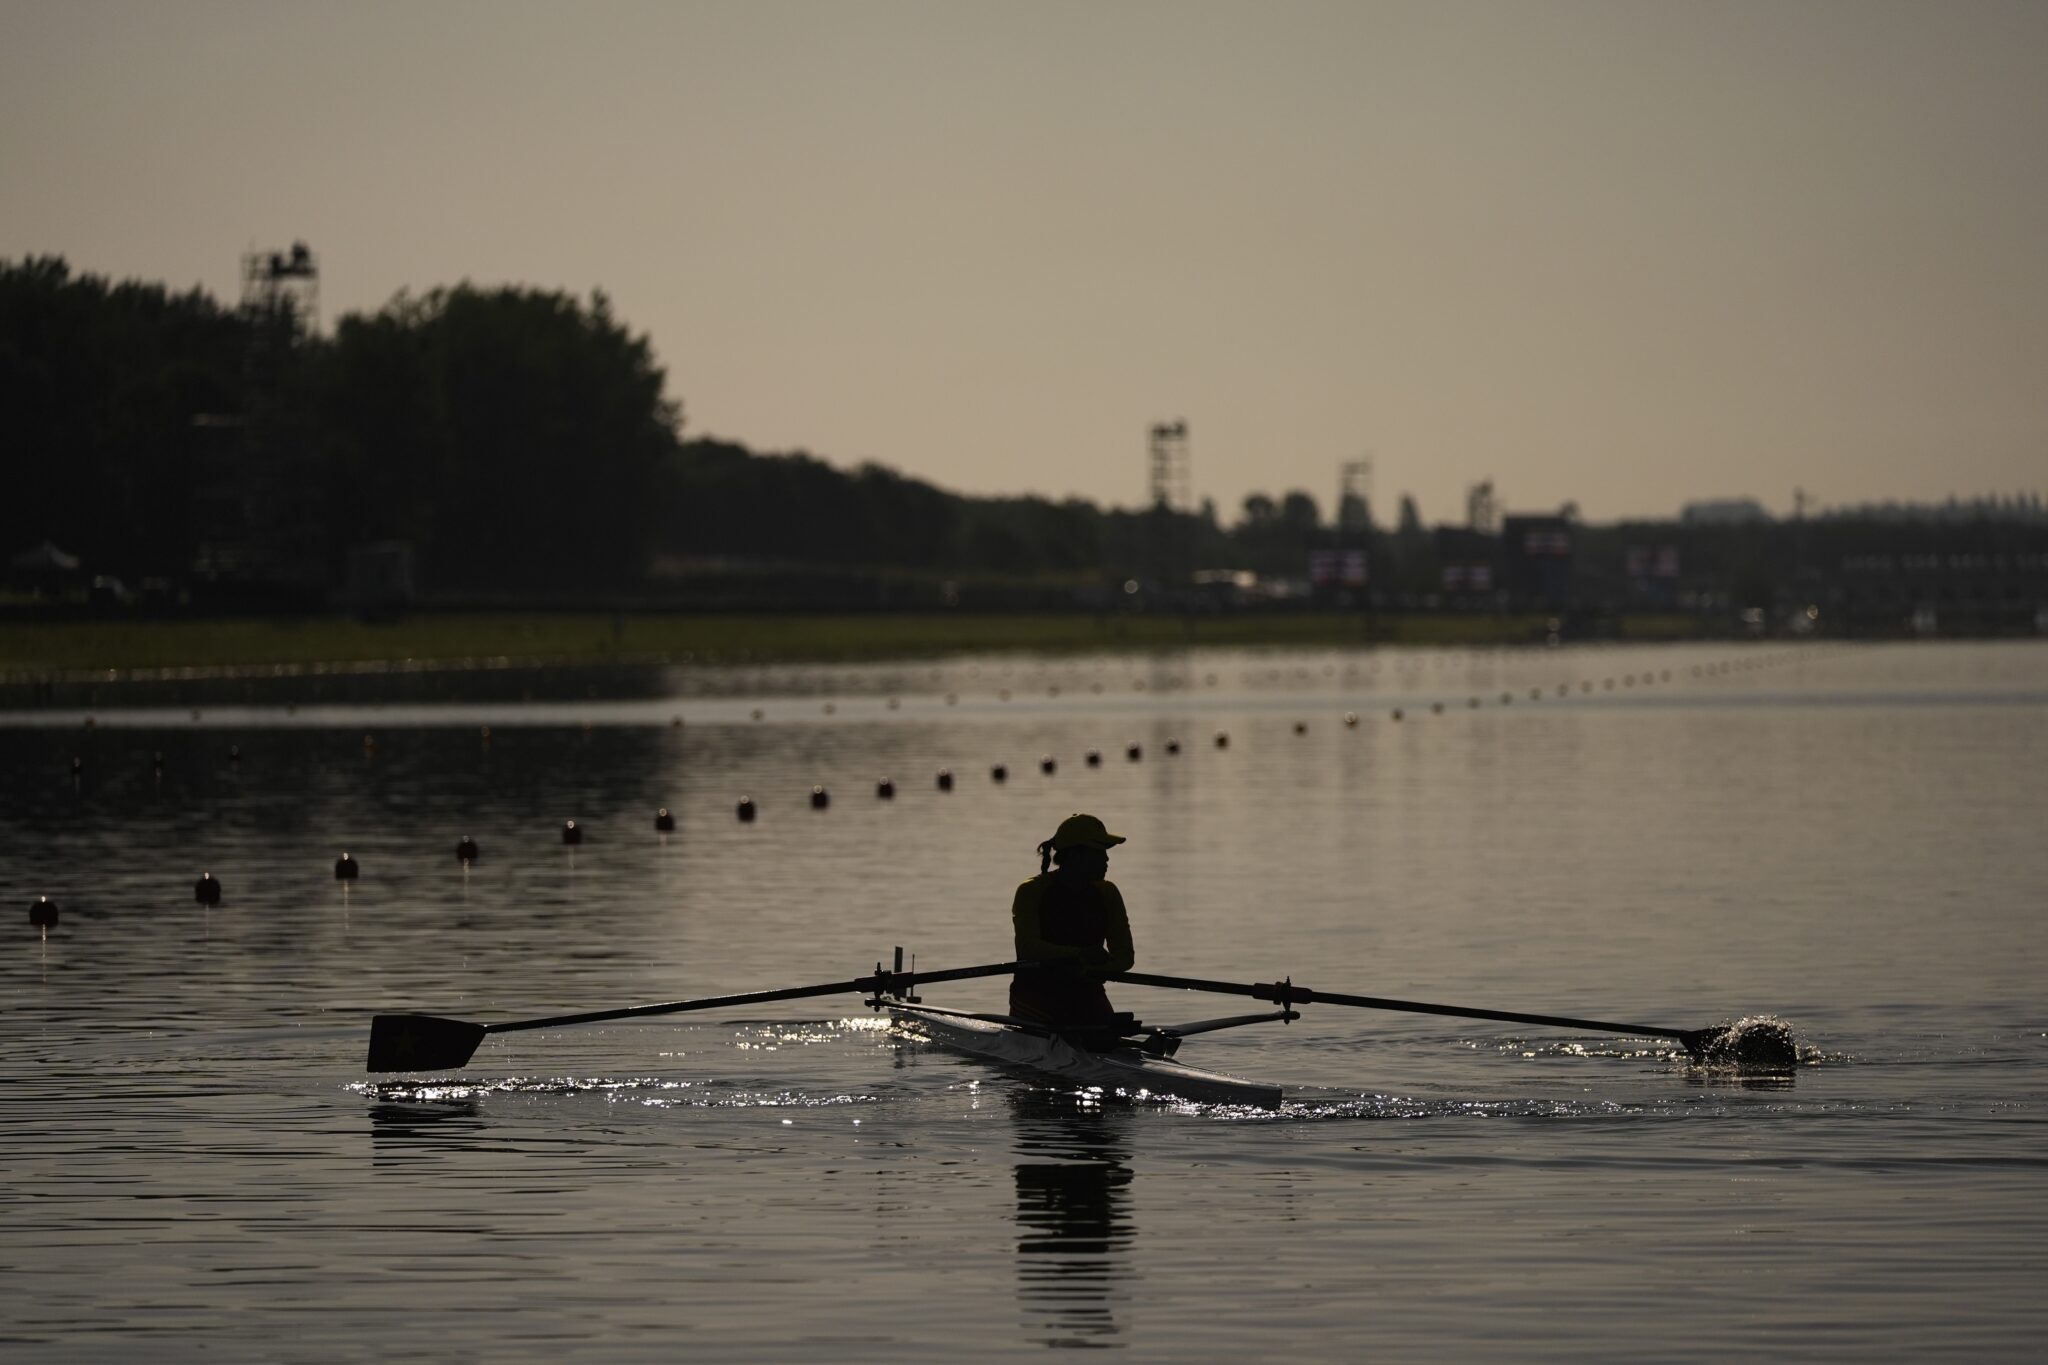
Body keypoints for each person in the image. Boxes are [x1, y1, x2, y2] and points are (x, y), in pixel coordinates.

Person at [1010, 813, 1136, 1032]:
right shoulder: (1031, 891)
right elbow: (1027, 948)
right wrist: (1079, 954)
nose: (1106, 860)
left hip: (1086, 991)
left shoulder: (1108, 893)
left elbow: (1125, 957)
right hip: (1037, 994)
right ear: (1076, 855)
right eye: (1099, 852)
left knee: (1102, 1034)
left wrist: (1088, 969)